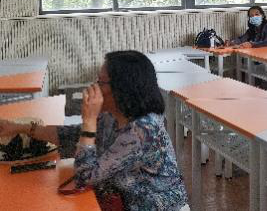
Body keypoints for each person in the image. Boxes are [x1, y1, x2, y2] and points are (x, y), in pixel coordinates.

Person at [0, 50, 189, 211]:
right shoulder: (112, 114)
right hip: (122, 196)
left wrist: (89, 121)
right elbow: (71, 135)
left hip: (153, 205)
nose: (93, 87)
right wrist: (18, 127)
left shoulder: (142, 130)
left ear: (121, 89)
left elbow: (84, 177)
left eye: (100, 82)